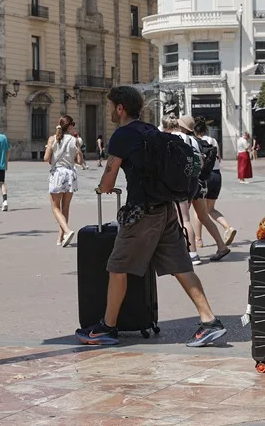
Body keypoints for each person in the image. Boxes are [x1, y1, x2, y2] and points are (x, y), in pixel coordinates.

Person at [76, 86, 226, 347]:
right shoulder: (151, 131)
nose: (111, 111)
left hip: (141, 212)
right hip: (167, 208)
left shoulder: (123, 135)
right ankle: (209, 321)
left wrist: (102, 187)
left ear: (120, 108)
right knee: (181, 266)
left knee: (117, 266)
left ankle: (107, 328)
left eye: (111, 106)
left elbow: (109, 180)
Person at [172, 115, 230, 264]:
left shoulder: (179, 137)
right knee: (203, 216)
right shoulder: (196, 142)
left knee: (184, 219)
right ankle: (221, 246)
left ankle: (192, 254)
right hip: (197, 183)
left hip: (184, 184)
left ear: (181, 126)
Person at [192, 117, 237, 248]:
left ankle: (198, 240)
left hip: (204, 176)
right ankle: (228, 227)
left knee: (198, 210)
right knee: (210, 209)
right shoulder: (213, 140)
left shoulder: (195, 141)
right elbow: (219, 159)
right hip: (216, 175)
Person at [44, 115, 80, 248]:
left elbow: (46, 158)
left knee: (55, 207)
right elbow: (78, 160)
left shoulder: (52, 139)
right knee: (65, 207)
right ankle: (61, 238)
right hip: (71, 174)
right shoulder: (74, 140)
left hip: (57, 174)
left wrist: (49, 148)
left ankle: (67, 230)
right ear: (69, 126)